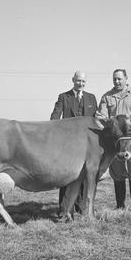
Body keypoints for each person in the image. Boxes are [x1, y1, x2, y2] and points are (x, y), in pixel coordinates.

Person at [98, 69, 131, 210]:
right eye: (114, 79)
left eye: (120, 79)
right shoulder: (106, 97)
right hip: (116, 140)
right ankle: (120, 207)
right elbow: (100, 116)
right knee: (117, 173)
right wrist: (106, 119)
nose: (117, 81)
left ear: (126, 78)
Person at [50, 70, 98, 217]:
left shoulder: (91, 98)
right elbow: (55, 116)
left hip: (86, 145)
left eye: (83, 81)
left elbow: (95, 119)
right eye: (78, 81)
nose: (81, 84)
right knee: (66, 175)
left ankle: (81, 208)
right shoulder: (64, 97)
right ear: (73, 80)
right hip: (68, 144)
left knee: (84, 176)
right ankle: (64, 210)